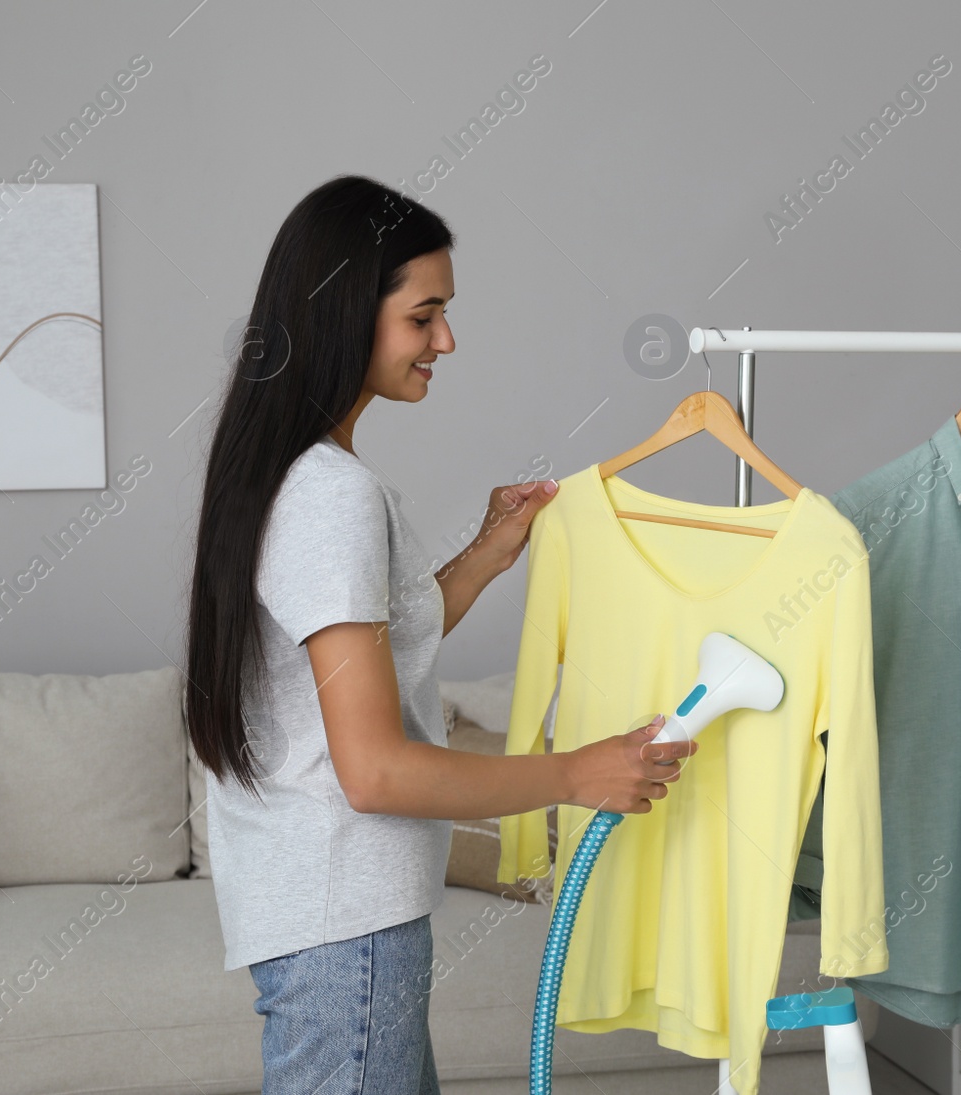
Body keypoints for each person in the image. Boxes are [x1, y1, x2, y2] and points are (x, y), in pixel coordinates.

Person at [184, 174, 698, 1095]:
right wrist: (580, 773)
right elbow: (376, 769)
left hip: (330, 920)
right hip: (348, 927)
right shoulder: (330, 495)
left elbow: (357, 668)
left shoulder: (293, 474)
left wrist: (489, 552)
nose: (446, 341)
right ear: (347, 313)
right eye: (425, 317)